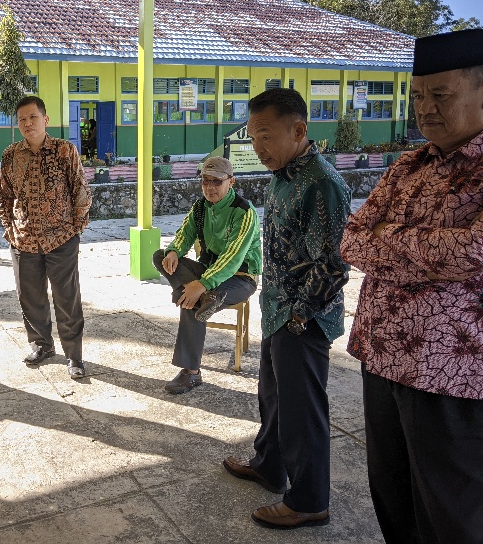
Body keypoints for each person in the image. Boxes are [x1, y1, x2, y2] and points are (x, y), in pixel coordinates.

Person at [340, 29, 483, 543]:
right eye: (418, 96)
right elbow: (352, 240)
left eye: (440, 96)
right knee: (392, 494)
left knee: (451, 508)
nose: (425, 109)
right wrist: (428, 251)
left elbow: (472, 252)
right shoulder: (408, 165)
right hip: (381, 355)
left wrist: (391, 237)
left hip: (453, 370)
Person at [222, 88, 351, 529]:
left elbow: (333, 266)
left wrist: (298, 317)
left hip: (304, 319)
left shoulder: (322, 184)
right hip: (278, 310)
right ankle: (270, 466)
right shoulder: (283, 175)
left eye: (265, 136)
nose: (258, 148)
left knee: (302, 411)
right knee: (273, 397)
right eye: (252, 138)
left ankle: (310, 499)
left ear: (298, 130)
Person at [0, 95, 92, 379]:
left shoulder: (64, 151)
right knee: (30, 297)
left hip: (61, 238)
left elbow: (81, 190)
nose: (28, 124)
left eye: (33, 117)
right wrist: (10, 228)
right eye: (22, 120)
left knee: (67, 298)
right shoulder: (11, 155)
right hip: (23, 241)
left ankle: (74, 356)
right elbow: (3, 196)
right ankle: (41, 345)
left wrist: (76, 228)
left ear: (45, 119)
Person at [152, 156, 261, 394]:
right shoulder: (200, 207)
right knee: (160, 256)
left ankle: (191, 372)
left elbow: (232, 258)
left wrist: (202, 284)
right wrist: (173, 251)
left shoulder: (244, 212)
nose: (209, 187)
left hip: (241, 278)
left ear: (230, 182)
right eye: (205, 181)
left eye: (216, 182)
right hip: (209, 272)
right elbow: (184, 234)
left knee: (191, 303)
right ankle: (200, 296)